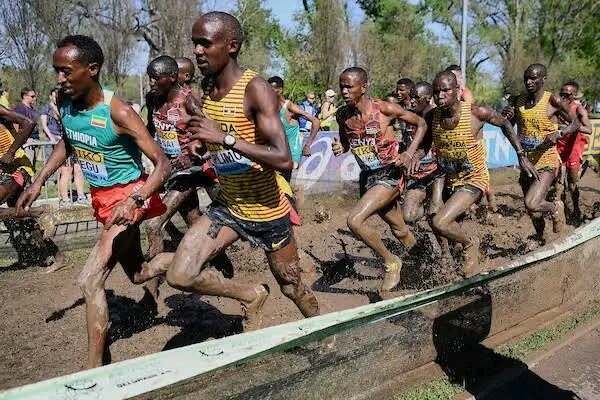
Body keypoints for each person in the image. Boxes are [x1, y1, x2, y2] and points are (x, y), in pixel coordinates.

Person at [142, 12, 321, 332]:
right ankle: (251, 295)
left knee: (291, 286)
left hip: (267, 210)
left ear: (232, 46)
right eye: (195, 43)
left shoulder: (256, 89)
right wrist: (202, 145)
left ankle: (326, 332)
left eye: (205, 43)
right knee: (180, 275)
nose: (197, 51)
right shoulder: (206, 90)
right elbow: (214, 138)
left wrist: (223, 139)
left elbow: (283, 159)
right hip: (229, 207)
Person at [17, 35, 172, 368]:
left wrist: (135, 200)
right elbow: (68, 142)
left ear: (92, 69)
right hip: (103, 199)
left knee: (90, 279)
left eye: (66, 71)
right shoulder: (66, 102)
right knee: (140, 273)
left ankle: (94, 370)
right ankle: (188, 261)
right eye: (56, 70)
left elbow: (163, 164)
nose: (59, 78)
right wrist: (39, 180)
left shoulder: (119, 111)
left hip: (128, 197)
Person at [426, 71, 538, 277]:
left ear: (457, 91)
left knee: (440, 222)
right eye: (436, 91)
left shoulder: (477, 112)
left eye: (445, 90)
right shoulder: (432, 116)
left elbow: (504, 123)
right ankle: (454, 262)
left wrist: (521, 156)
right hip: (449, 178)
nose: (439, 95)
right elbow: (423, 145)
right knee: (441, 223)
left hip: (474, 179)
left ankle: (471, 244)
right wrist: (412, 155)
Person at [332, 67, 426, 292]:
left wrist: (409, 153)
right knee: (399, 229)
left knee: (354, 221)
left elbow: (422, 124)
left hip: (390, 175)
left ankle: (391, 262)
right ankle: (426, 261)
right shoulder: (342, 115)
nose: (344, 91)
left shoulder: (385, 109)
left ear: (363, 87)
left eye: (349, 87)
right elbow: (346, 142)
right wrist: (341, 147)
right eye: (342, 86)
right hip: (368, 178)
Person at [502, 64, 579, 239]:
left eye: (533, 78)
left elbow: (575, 123)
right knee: (532, 211)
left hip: (546, 159)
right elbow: (507, 129)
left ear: (543, 80)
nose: (528, 82)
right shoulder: (518, 101)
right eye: (526, 78)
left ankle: (555, 207)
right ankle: (541, 238)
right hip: (527, 162)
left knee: (531, 202)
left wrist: (559, 134)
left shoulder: (552, 100)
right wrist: (506, 120)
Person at [0, 103, 65, 272]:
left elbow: (29, 123)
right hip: (3, 172)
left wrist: (10, 152)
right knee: (21, 216)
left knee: (20, 214)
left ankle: (39, 212)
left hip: (17, 168)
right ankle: (57, 256)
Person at [402, 82, 445, 226]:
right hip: (418, 173)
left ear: (427, 98)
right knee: (408, 217)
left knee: (436, 214)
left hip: (438, 172)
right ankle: (424, 215)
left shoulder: (438, 115)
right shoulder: (409, 116)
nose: (412, 101)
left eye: (416, 97)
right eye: (411, 97)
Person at [267, 76, 320, 178]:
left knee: (283, 181)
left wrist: (307, 145)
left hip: (291, 152)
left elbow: (316, 121)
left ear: (280, 90)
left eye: (270, 90)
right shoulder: (270, 107)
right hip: (277, 150)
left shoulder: (289, 106)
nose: (267, 93)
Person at [555, 81, 592, 220]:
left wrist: (572, 127)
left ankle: (576, 209)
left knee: (571, 184)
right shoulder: (556, 107)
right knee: (558, 184)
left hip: (573, 149)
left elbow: (589, 129)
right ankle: (559, 214)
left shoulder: (579, 109)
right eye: (562, 94)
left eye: (567, 94)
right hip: (558, 148)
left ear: (574, 95)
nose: (563, 97)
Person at [14, 88, 40, 166]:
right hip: (27, 140)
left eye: (35, 96)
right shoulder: (20, 108)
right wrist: (23, 140)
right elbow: (16, 125)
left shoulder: (32, 108)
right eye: (32, 96)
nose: (34, 98)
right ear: (25, 96)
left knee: (33, 165)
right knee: (27, 165)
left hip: (35, 139)